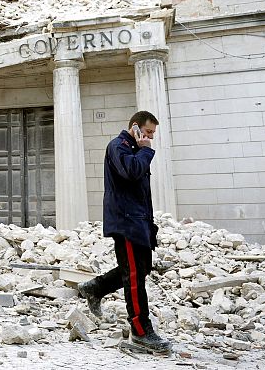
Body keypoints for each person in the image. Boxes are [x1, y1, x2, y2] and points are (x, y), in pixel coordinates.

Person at [77, 110, 172, 354]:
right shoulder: (118, 147)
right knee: (134, 276)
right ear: (135, 127)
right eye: (148, 132)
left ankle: (96, 288)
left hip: (139, 221)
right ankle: (141, 331)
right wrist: (145, 149)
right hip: (126, 222)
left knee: (140, 269)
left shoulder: (136, 149)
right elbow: (131, 171)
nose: (150, 137)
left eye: (152, 134)